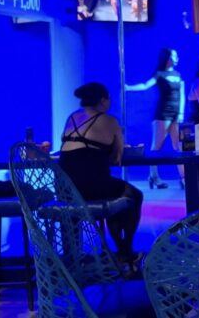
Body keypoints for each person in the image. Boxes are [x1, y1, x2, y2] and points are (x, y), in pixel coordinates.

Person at [59, 82, 144, 271]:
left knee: (114, 194)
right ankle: (125, 251)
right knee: (134, 195)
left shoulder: (72, 117)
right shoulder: (110, 121)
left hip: (66, 188)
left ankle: (80, 259)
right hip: (93, 186)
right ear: (103, 101)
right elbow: (116, 158)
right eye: (109, 99)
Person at [125, 48, 185, 189]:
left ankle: (183, 178)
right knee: (157, 147)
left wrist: (181, 113)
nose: (177, 58)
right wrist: (129, 88)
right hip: (162, 114)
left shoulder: (178, 74)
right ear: (168, 58)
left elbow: (182, 94)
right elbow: (145, 85)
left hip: (175, 115)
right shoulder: (159, 74)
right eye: (174, 56)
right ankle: (154, 176)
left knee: (179, 147)